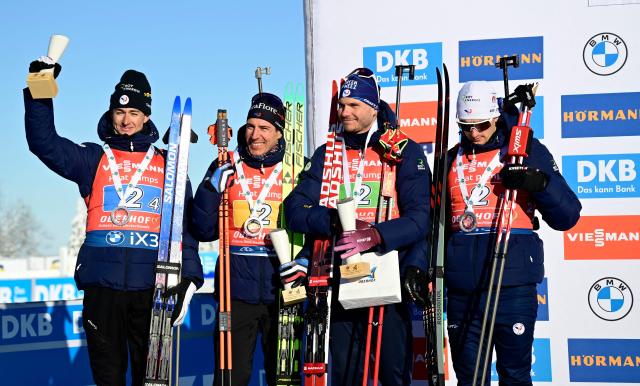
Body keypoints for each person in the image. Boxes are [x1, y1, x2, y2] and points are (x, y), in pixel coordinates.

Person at [24, 58, 204, 386]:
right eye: (119, 112)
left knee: (149, 380)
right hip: (102, 289)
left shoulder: (169, 163)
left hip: (151, 288)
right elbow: (44, 143)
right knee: (108, 379)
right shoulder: (94, 158)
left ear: (146, 116)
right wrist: (40, 84)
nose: (126, 120)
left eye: (134, 113)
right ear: (111, 114)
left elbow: (185, 226)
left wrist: (189, 277)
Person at [282, 67, 431, 386]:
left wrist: (377, 234)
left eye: (354, 105)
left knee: (392, 372)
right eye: (341, 105)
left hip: (387, 274)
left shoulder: (401, 150)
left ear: (374, 108)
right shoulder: (328, 155)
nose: (345, 111)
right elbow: (295, 209)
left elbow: (420, 219)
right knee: (348, 373)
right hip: (339, 277)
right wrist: (332, 220)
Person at [434, 81, 581, 385]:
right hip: (463, 288)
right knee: (470, 378)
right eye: (465, 126)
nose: (473, 133)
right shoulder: (449, 159)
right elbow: (433, 225)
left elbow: (568, 215)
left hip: (511, 285)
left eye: (481, 125)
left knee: (514, 375)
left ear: (496, 117)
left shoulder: (525, 150)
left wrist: (535, 182)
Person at [190, 92, 289, 386]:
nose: (254, 135)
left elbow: (311, 224)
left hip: (282, 289)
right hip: (234, 291)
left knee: (282, 377)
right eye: (250, 126)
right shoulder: (226, 163)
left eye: (264, 128)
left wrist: (304, 261)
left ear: (279, 132)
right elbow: (203, 229)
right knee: (230, 377)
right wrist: (210, 189)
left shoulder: (296, 167)